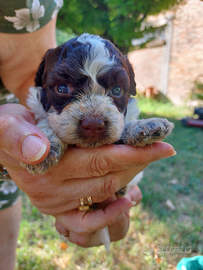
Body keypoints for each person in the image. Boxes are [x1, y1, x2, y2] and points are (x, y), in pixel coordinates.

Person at [0, 1, 176, 269]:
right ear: (45, 85)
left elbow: (24, 74)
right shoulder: (43, 97)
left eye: (115, 92)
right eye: (63, 88)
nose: (93, 120)